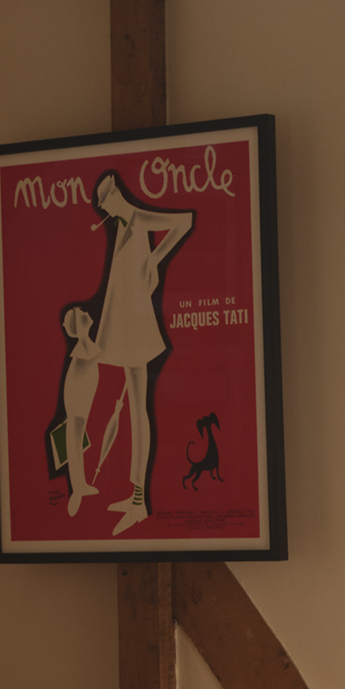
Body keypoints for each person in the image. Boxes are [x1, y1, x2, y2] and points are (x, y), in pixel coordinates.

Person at [57, 177, 194, 534]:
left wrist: (156, 262)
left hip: (135, 330)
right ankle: (136, 496)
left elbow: (185, 221)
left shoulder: (135, 217)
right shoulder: (122, 224)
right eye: (103, 204)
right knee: (134, 411)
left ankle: (139, 502)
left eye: (108, 201)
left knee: (138, 411)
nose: (105, 208)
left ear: (117, 197)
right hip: (124, 329)